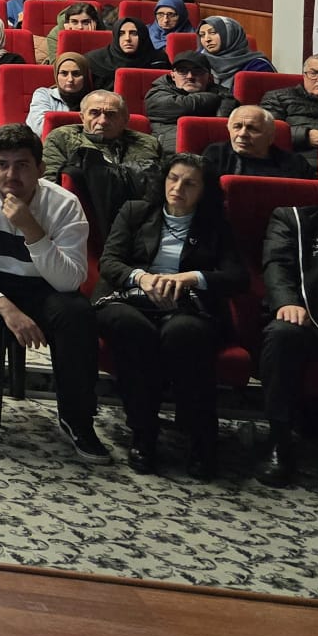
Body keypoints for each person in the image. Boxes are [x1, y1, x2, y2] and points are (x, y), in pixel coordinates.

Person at [0, 123, 106, 460]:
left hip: (41, 285)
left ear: (40, 169)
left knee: (77, 314)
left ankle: (77, 419)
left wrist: (32, 230)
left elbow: (70, 281)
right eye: (2, 164)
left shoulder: (64, 205)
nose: (11, 174)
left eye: (22, 165)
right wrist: (6, 308)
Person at [94, 152, 244, 477]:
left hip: (187, 305)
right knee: (132, 329)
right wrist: (143, 278)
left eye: (189, 183)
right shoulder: (136, 211)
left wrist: (191, 278)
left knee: (183, 334)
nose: (178, 187)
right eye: (173, 178)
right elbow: (110, 261)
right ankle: (143, 433)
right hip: (130, 299)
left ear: (204, 190)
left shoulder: (215, 225)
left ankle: (202, 439)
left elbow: (236, 277)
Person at [254, 154, 318, 486]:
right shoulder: (295, 219)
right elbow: (276, 266)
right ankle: (280, 441)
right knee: (282, 334)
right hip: (308, 322)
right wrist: (287, 303)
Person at [43, 90, 162, 238]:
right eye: (94, 113)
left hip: (140, 220)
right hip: (83, 216)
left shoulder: (148, 143)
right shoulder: (62, 138)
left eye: (111, 114)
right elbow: (51, 182)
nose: (103, 121)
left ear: (125, 120)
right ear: (82, 117)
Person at [202, 103, 312, 180]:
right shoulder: (216, 154)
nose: (242, 134)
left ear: (270, 136)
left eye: (252, 128)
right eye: (237, 127)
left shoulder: (296, 163)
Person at [143, 51, 230, 147]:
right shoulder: (157, 93)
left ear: (209, 77)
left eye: (197, 71)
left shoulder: (226, 96)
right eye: (182, 71)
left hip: (208, 152)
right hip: (167, 152)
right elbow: (182, 106)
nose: (190, 76)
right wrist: (213, 99)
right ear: (173, 76)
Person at [261, 55, 318, 151]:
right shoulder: (278, 98)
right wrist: (306, 136)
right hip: (298, 160)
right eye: (313, 73)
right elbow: (263, 131)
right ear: (304, 76)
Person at [86, 15, 168, 89]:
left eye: (134, 33)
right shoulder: (95, 60)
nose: (127, 38)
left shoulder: (159, 59)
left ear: (143, 35)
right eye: (121, 33)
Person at [26, 51, 95, 136]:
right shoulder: (44, 95)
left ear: (85, 76)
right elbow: (41, 129)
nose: (70, 79)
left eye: (76, 74)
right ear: (56, 75)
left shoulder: (95, 99)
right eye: (64, 73)